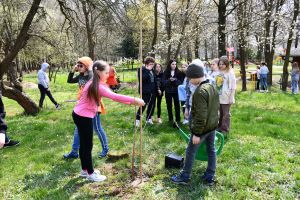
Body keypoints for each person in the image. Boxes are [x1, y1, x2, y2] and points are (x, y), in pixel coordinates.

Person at [72, 60, 144, 182]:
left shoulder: (95, 82)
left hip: (78, 114)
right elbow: (115, 96)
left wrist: (130, 102)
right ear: (98, 72)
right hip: (83, 117)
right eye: (106, 72)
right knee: (87, 145)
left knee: (84, 144)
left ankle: (84, 170)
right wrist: (134, 100)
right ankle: (90, 173)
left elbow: (114, 95)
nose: (108, 75)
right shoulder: (97, 85)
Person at [171, 64, 219, 186]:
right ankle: (210, 175)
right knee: (211, 149)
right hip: (212, 125)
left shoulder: (200, 91)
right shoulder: (211, 86)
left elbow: (201, 115)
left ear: (196, 77)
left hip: (202, 128)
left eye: (190, 78)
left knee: (190, 151)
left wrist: (197, 133)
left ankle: (185, 176)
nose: (190, 81)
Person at [63, 57, 110, 159]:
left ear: (87, 66)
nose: (79, 67)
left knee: (97, 128)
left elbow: (93, 79)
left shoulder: (91, 76)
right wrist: (72, 70)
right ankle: (74, 152)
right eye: (78, 65)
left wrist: (90, 68)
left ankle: (105, 149)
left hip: (94, 107)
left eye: (81, 65)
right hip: (83, 108)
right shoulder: (80, 76)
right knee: (77, 130)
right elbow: (69, 80)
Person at [216, 57, 236, 134]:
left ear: (227, 64)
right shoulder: (218, 72)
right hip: (218, 96)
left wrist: (231, 96)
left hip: (226, 96)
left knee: (226, 114)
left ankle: (225, 129)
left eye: (223, 64)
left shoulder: (230, 72)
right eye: (220, 64)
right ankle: (219, 126)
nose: (221, 65)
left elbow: (233, 86)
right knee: (219, 113)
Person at [135, 57, 156, 127]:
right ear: (146, 64)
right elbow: (142, 79)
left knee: (151, 106)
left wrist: (157, 88)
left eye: (153, 64)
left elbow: (154, 80)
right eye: (150, 64)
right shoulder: (141, 70)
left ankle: (148, 118)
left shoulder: (152, 70)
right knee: (143, 105)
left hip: (153, 91)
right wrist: (147, 70)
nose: (152, 65)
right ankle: (137, 120)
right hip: (145, 91)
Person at [163, 59, 183, 127]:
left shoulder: (179, 72)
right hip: (168, 91)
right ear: (169, 65)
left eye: (175, 64)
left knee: (177, 105)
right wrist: (169, 80)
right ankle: (170, 119)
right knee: (169, 105)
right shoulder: (166, 72)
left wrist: (175, 80)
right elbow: (164, 82)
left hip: (176, 91)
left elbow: (181, 82)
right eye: (172, 64)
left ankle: (178, 119)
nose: (174, 66)